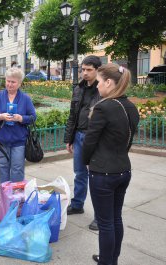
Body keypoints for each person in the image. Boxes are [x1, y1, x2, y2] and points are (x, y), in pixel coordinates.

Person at [82, 64, 139, 265]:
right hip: (123, 169)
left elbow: (90, 141)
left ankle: (107, 261)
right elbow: (128, 140)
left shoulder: (103, 107)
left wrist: (86, 162)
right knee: (115, 219)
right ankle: (110, 258)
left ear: (108, 82)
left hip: (103, 173)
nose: (97, 86)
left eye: (98, 82)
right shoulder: (131, 106)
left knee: (106, 223)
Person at [64, 55, 102, 231]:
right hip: (79, 136)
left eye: (89, 70)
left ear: (97, 70)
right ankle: (77, 204)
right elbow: (72, 115)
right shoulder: (78, 89)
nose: (85, 73)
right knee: (79, 173)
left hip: (95, 138)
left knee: (97, 177)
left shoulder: (103, 89)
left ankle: (100, 217)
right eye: (83, 69)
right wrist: (69, 139)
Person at [0, 66, 36, 201]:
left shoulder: (25, 99)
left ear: (19, 83)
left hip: (18, 140)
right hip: (1, 139)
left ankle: (16, 194)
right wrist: (0, 116)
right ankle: (4, 194)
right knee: (3, 167)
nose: (9, 84)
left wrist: (21, 118)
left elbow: (33, 117)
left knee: (17, 168)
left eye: (13, 82)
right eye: (8, 81)